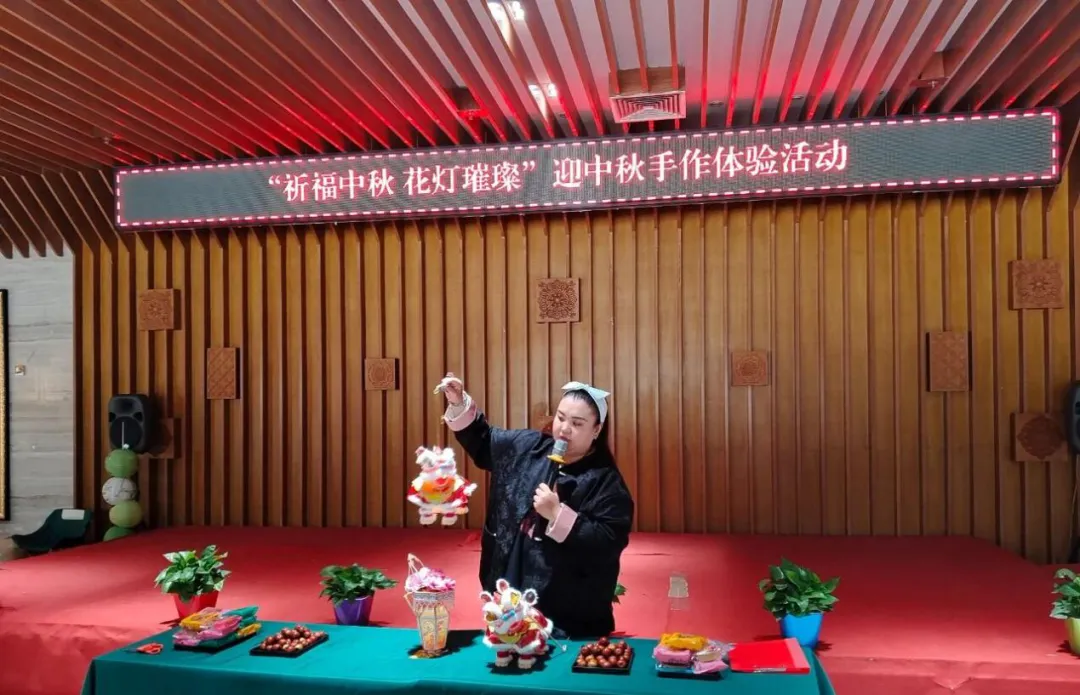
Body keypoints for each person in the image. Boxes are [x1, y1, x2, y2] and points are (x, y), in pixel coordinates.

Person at [435, 372, 634, 639]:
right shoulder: (529, 447)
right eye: (561, 418)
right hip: (512, 572)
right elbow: (484, 441)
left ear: (596, 430)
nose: (564, 429)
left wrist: (558, 515)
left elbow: (608, 542)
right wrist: (458, 402)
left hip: (567, 610)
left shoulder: (606, 482)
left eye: (577, 423)